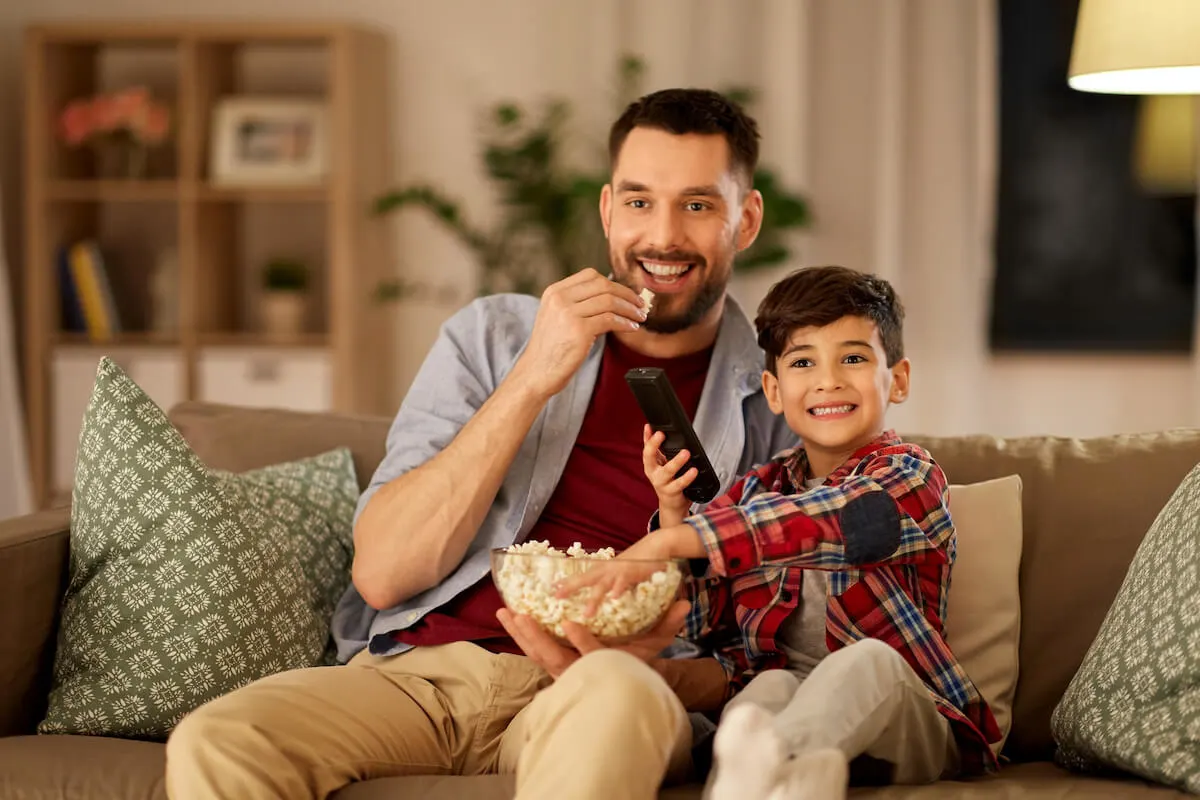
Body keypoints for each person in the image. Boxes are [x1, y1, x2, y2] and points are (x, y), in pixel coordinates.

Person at [163, 88, 798, 799]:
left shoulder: (784, 398)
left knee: (616, 696)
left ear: (745, 220)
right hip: (422, 678)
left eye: (698, 204)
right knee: (219, 738)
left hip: (597, 687)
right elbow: (382, 573)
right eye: (640, 201)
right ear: (608, 210)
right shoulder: (493, 338)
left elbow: (788, 645)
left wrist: (657, 671)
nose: (663, 236)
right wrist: (532, 377)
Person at [593, 266, 1003, 799]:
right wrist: (673, 514)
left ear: (897, 379)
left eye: (853, 358)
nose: (828, 380)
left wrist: (675, 540)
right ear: (774, 390)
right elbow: (700, 627)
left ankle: (781, 761)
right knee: (766, 687)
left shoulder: (910, 476)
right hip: (794, 712)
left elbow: (835, 518)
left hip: (907, 723)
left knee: (869, 660)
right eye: (803, 362)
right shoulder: (754, 493)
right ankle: (773, 779)